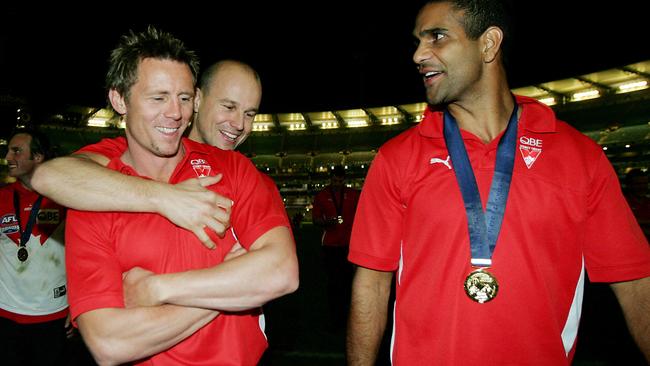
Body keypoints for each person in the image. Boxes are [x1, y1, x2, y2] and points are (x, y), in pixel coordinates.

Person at [346, 1, 650, 365]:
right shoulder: (396, 158)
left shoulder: (579, 157)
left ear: (488, 44)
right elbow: (372, 285)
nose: (418, 55)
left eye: (437, 37)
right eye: (417, 42)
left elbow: (635, 283)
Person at [59, 26, 298, 365]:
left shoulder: (237, 170)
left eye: (182, 98)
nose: (174, 112)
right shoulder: (95, 190)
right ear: (119, 100)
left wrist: (157, 289)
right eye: (158, 98)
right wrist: (230, 285)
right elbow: (109, 343)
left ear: (193, 99)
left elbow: (280, 273)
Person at [0, 129, 70, 365]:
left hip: (52, 315)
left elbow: (83, 256)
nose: (8, 157)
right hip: (6, 316)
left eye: (16, 151)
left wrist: (79, 306)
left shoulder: (66, 198)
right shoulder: (2, 197)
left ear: (38, 157)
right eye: (8, 150)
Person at [312, 165, 360, 328]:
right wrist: (328, 222)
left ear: (344, 180)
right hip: (330, 245)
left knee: (347, 283)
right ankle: (334, 318)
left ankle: (347, 317)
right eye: (334, 180)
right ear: (330, 179)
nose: (337, 183)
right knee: (333, 283)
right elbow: (316, 220)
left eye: (339, 181)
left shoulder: (353, 195)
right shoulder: (322, 195)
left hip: (348, 245)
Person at [623, 168, 650, 238]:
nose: (642, 187)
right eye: (638, 184)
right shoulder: (623, 203)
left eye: (645, 183)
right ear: (629, 185)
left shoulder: (648, 202)